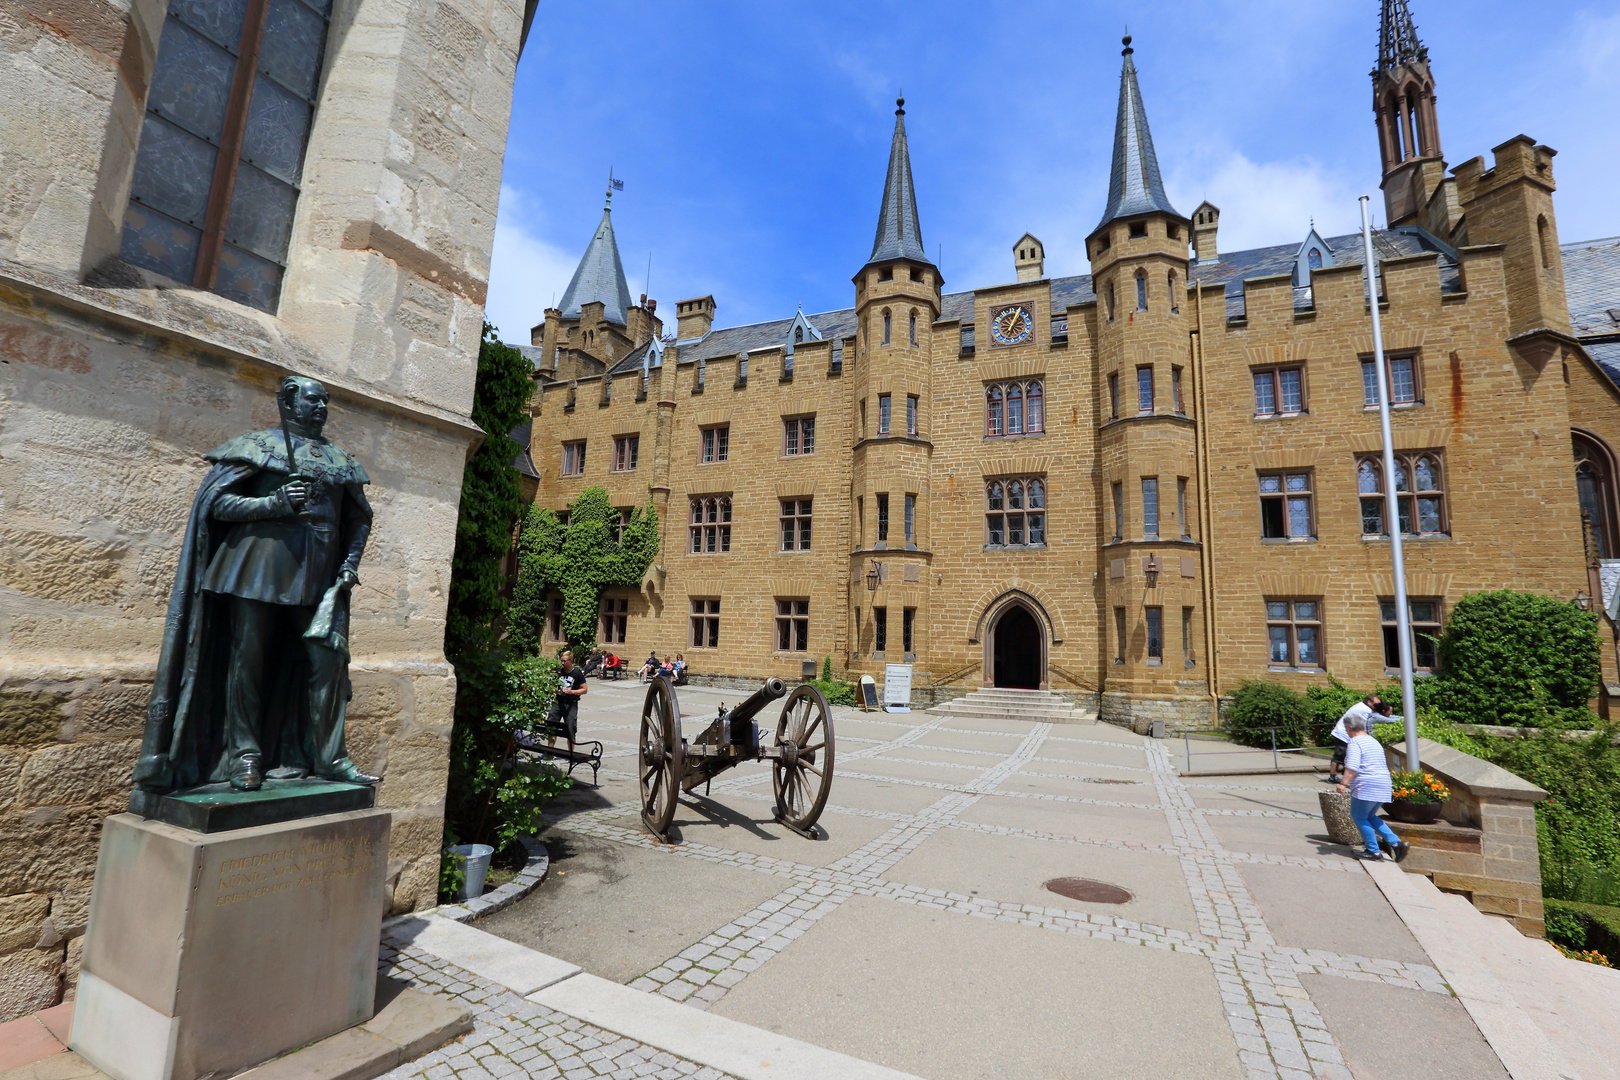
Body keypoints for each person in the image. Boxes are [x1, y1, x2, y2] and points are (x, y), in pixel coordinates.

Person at [134, 376, 379, 793]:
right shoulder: (256, 447)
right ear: (287, 400)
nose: (321, 408)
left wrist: (349, 565)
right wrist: (274, 503)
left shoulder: (340, 459)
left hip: (319, 576)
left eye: (326, 402)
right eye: (312, 400)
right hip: (258, 569)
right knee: (247, 662)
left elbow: (358, 519)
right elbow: (217, 504)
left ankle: (331, 758)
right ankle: (244, 756)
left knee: (328, 664)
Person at [1337, 712, 1409, 862]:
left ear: (1349, 728)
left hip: (1366, 784)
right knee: (1369, 816)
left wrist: (1343, 783)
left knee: (1359, 816)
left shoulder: (1355, 742)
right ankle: (1396, 843)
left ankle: (1373, 850)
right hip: (1383, 783)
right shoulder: (1373, 741)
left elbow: (1352, 766)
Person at [1329, 694, 1382, 783]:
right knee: (1339, 755)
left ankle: (1339, 775)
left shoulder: (1361, 706)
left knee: (1344, 755)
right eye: (1376, 704)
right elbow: (1366, 725)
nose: (1378, 707)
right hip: (1343, 733)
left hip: (1343, 732)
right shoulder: (1366, 709)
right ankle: (1333, 776)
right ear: (1369, 702)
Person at [546, 650, 589, 745]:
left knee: (570, 729)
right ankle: (549, 753)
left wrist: (571, 691)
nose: (562, 663)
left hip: (571, 704)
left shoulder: (577, 674)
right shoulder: (559, 672)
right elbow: (552, 686)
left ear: (571, 660)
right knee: (552, 726)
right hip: (557, 702)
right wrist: (556, 691)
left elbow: (584, 690)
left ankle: (571, 755)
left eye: (565, 661)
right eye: (561, 661)